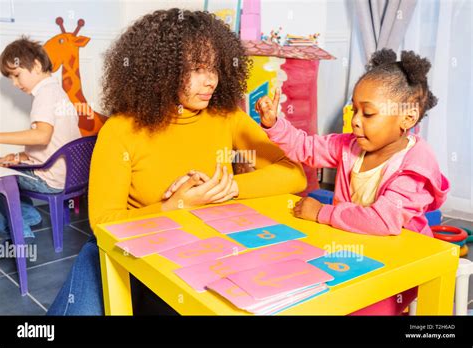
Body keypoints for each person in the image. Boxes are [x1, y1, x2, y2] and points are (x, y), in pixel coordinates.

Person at [47, 9, 306, 315]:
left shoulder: (228, 117)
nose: (210, 81)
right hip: (133, 254)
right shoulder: (120, 130)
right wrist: (174, 206)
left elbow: (295, 175)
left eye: (215, 68)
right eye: (197, 69)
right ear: (161, 70)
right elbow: (102, 223)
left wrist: (227, 188)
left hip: (205, 251)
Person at [255, 48, 450, 315]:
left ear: (407, 117)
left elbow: (383, 221)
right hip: (351, 249)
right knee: (298, 287)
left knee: (362, 306)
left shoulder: (416, 163)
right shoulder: (350, 145)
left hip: (400, 264)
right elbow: (306, 148)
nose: (355, 121)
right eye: (354, 110)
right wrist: (275, 123)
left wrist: (322, 212)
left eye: (368, 114)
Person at [0, 37, 81, 240]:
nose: (15, 84)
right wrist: (20, 157)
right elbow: (53, 145)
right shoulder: (57, 92)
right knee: (8, 164)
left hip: (50, 180)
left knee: (2, 180)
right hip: (70, 176)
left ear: (35, 65)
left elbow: (42, 136)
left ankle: (20, 232)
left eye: (17, 75)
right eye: (10, 78)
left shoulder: (44, 95)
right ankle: (29, 216)